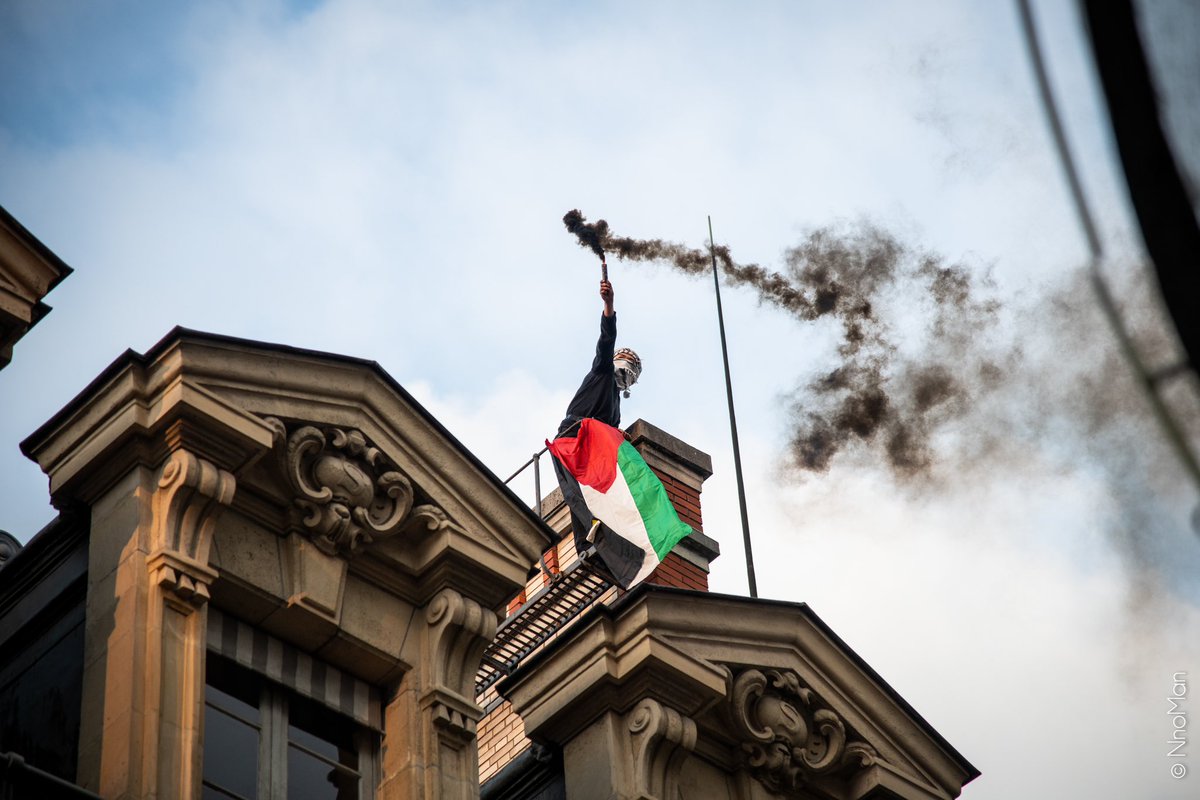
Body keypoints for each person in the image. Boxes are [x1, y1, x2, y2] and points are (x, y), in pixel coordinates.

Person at [551, 279, 643, 580]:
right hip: (573, 437)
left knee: (587, 493)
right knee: (579, 493)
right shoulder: (601, 372)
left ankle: (589, 547)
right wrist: (609, 306)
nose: (626, 373)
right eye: (625, 364)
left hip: (591, 447)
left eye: (632, 371)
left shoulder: (615, 407)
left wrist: (621, 437)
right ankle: (588, 540)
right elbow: (606, 340)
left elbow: (610, 430)